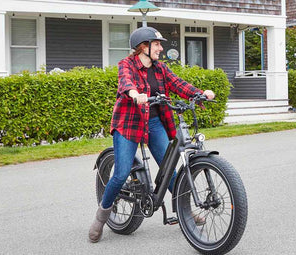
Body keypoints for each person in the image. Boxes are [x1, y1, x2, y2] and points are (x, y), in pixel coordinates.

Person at [88, 26, 215, 243]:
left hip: (154, 123)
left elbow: (178, 84)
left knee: (170, 171)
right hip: (129, 123)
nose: (160, 48)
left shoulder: (160, 68)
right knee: (120, 174)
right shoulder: (126, 65)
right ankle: (101, 218)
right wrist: (135, 94)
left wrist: (199, 93)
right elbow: (125, 82)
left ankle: (185, 212)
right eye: (156, 44)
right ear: (143, 47)